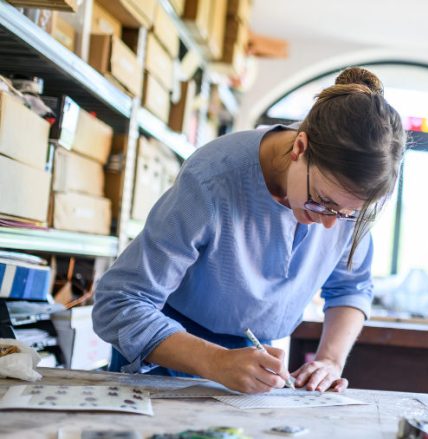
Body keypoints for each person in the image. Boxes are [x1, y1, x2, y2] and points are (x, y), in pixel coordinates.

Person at [92, 67, 407, 394]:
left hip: (251, 366)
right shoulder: (213, 179)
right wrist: (215, 361)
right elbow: (119, 304)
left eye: (346, 215)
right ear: (300, 148)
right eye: (322, 202)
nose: (329, 224)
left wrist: (330, 360)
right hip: (168, 353)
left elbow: (350, 287)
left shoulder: (346, 200)